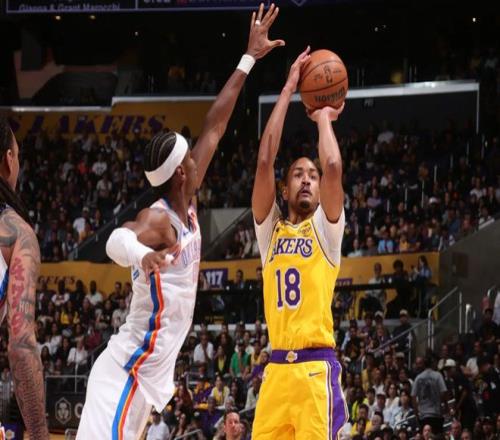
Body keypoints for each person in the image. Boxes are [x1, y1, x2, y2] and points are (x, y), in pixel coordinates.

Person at [77, 6, 284, 438]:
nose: (197, 155)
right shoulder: (159, 220)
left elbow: (216, 125)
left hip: (146, 381)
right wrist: (141, 255)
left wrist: (248, 58)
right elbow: (116, 240)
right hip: (124, 373)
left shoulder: (187, 196)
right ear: (179, 173)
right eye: (190, 155)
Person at [251, 45, 348, 439]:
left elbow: (333, 166)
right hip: (276, 371)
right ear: (284, 188)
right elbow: (264, 161)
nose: (307, 179)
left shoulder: (326, 230)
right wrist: (289, 87)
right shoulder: (269, 231)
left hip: (314, 368)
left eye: (311, 175)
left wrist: (323, 117)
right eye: (297, 174)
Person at [0, 117, 50, 438]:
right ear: (8, 159)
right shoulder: (16, 233)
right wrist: (40, 434)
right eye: (17, 155)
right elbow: (21, 345)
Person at [411, 356, 448, 434]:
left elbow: (413, 396)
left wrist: (416, 414)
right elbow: (444, 392)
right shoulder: (438, 375)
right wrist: (445, 406)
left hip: (424, 415)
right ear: (432, 364)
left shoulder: (418, 378)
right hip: (436, 414)